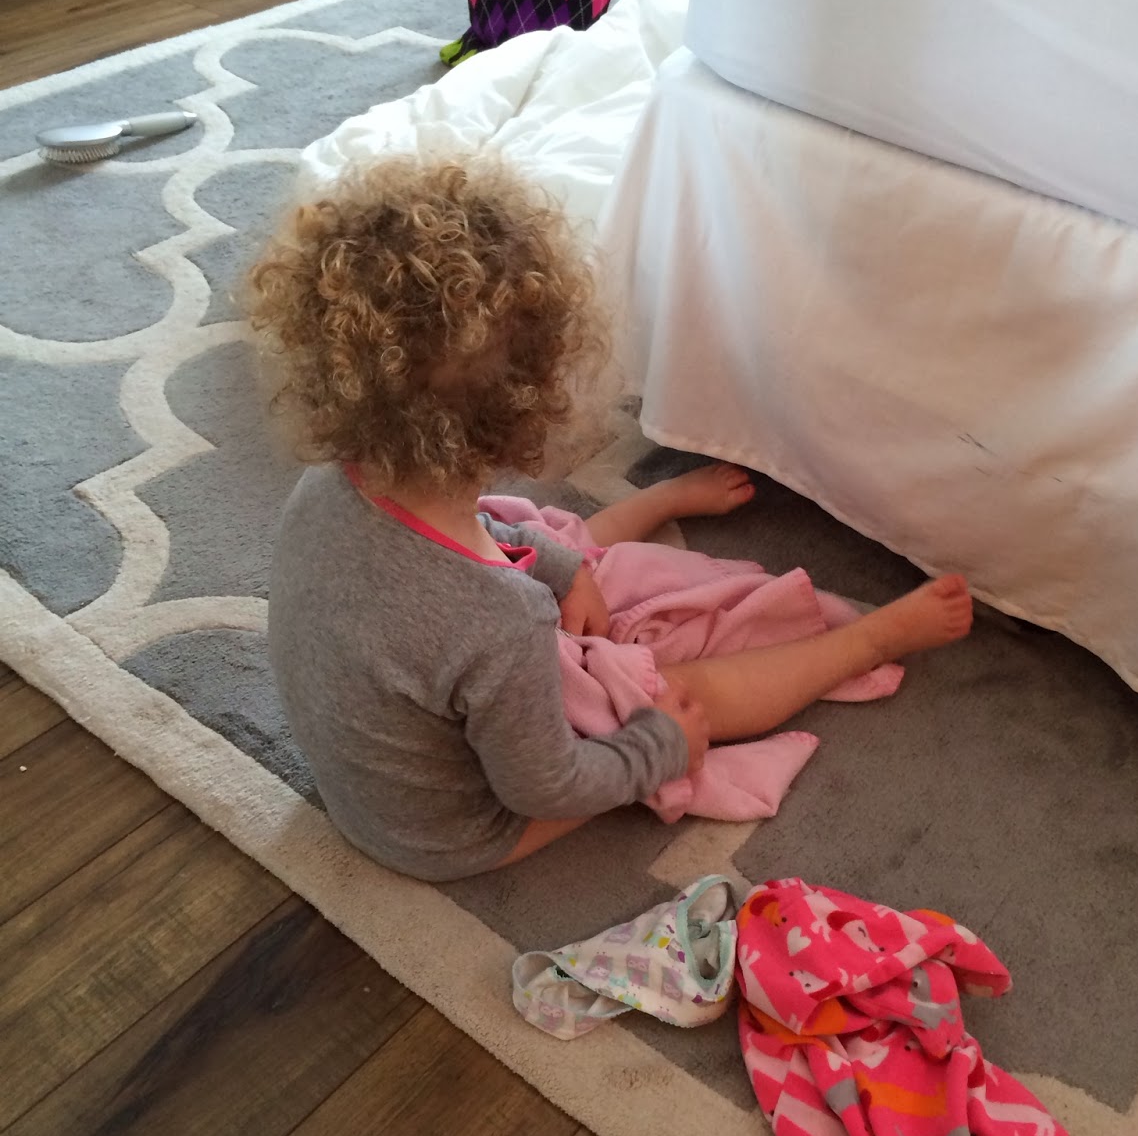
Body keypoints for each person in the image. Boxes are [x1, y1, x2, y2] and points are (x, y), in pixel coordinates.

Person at [248, 155, 973, 883]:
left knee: (556, 547)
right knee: (674, 692)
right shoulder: (499, 623)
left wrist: (563, 570)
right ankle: (871, 638)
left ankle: (659, 503)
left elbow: (481, 554)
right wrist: (660, 747)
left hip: (379, 766)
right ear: (528, 409)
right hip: (453, 833)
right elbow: (547, 788)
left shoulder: (330, 484)